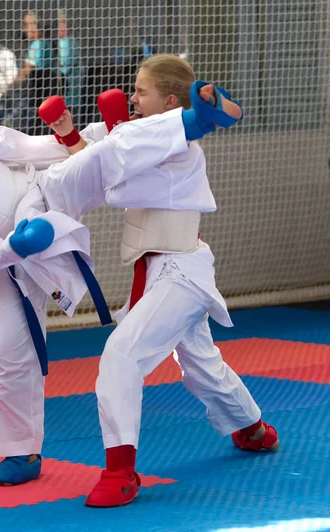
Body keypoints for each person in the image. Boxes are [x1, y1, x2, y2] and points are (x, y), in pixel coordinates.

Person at [0, 81, 240, 487]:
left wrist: (76, 138)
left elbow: (38, 150)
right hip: (15, 262)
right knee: (7, 356)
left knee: (95, 158)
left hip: (44, 203)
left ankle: (193, 121)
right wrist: (14, 247)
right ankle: (21, 451)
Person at [43, 55, 278, 509]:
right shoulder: (141, 138)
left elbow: (196, 125)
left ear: (169, 102)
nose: (132, 97)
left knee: (121, 357)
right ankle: (251, 428)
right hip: (158, 271)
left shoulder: (174, 138)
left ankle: (120, 471)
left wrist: (204, 109)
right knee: (200, 363)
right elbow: (106, 163)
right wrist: (70, 134)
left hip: (179, 273)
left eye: (141, 91)